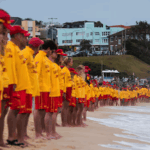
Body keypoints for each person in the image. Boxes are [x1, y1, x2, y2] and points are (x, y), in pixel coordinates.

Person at [6, 25, 31, 147]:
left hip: (22, 85)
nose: (25, 39)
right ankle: (12, 137)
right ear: (17, 36)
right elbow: (11, 68)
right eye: (23, 36)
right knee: (14, 111)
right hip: (16, 85)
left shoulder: (16, 49)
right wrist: (13, 83)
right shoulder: (10, 47)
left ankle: (17, 137)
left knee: (17, 111)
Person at [22, 37, 43, 139]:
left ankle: (24, 133)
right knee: (23, 113)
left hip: (30, 88)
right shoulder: (26, 53)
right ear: (36, 46)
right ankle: (22, 134)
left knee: (27, 113)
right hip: (26, 87)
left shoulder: (30, 54)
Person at [0, 9, 14, 147]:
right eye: (3, 33)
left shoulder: (3, 50)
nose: (6, 38)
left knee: (3, 113)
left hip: (4, 84)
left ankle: (1, 140)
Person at [34, 40, 51, 139]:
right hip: (40, 88)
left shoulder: (44, 58)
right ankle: (37, 133)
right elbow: (37, 73)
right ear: (48, 49)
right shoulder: (39, 57)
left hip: (45, 88)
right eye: (51, 50)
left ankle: (40, 132)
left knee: (42, 111)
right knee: (39, 110)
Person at [45, 44, 62, 139]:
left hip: (55, 91)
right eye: (55, 52)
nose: (57, 54)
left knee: (54, 112)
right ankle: (48, 133)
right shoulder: (47, 62)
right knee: (49, 113)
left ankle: (52, 131)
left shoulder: (54, 65)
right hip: (51, 91)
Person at [55, 49, 67, 127]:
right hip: (56, 88)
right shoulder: (56, 66)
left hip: (60, 88)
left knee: (58, 107)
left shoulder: (59, 67)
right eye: (61, 56)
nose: (62, 58)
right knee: (56, 107)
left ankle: (55, 121)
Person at [61, 57, 73, 127]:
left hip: (69, 89)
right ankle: (64, 122)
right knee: (64, 107)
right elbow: (63, 82)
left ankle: (65, 122)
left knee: (67, 106)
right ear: (68, 62)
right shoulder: (64, 70)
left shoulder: (67, 70)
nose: (72, 63)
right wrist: (64, 92)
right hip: (66, 89)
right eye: (71, 61)